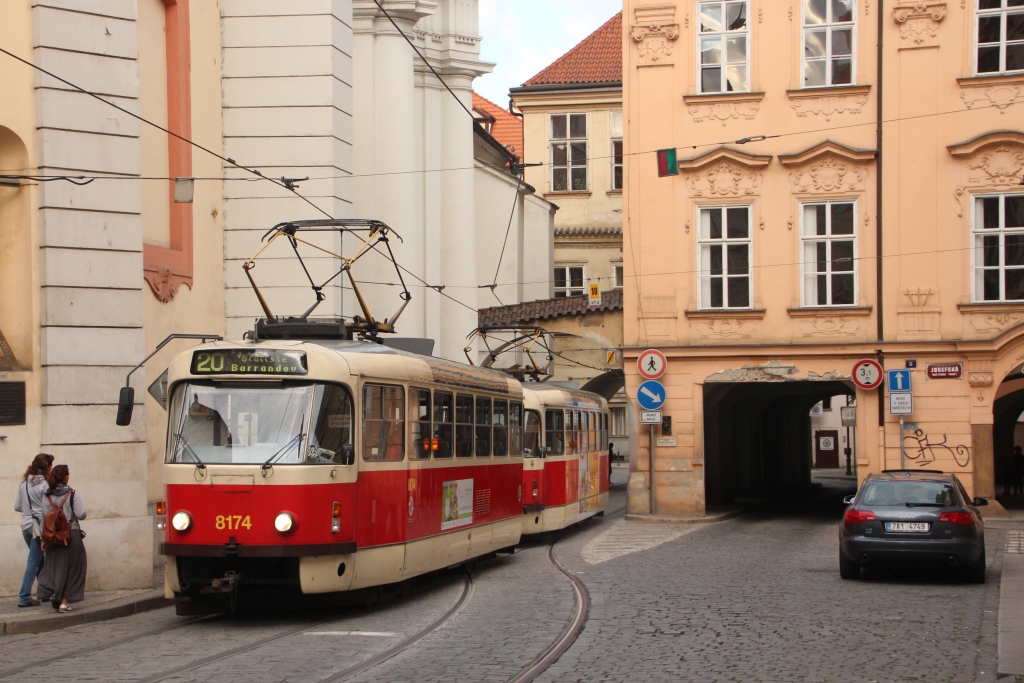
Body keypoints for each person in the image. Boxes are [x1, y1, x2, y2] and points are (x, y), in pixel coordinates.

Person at [37, 465, 87, 613]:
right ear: (66, 477)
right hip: (70, 535)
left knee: (55, 567)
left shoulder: (47, 496)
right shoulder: (72, 493)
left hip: (51, 537)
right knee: (75, 567)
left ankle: (51, 591)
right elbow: (81, 514)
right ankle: (64, 601)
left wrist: (43, 540)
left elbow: (43, 519)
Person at [14, 454, 54, 607]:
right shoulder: (45, 485)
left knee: (39, 560)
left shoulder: (23, 484)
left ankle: (45, 591)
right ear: (46, 467)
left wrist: (28, 510)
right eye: (50, 466)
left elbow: (17, 506)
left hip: (25, 525)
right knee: (34, 562)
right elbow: (48, 506)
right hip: (38, 526)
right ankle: (24, 596)